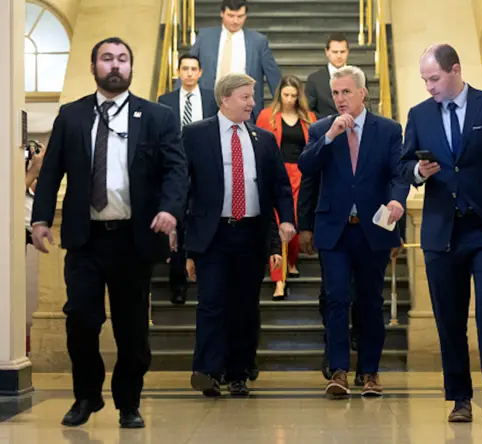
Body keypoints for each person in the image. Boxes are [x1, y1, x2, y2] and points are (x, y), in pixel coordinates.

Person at [30, 37, 188, 428]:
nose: (115, 65)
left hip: (133, 240)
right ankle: (86, 396)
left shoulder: (157, 117)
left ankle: (129, 402)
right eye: (107, 59)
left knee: (132, 329)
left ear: (131, 68)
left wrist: (169, 209)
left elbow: (176, 169)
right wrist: (40, 219)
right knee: (80, 319)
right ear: (93, 67)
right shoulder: (72, 115)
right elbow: (51, 173)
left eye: (122, 59)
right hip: (86, 239)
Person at [400, 44, 482, 424]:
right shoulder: (419, 114)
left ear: (455, 70)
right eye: (424, 80)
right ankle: (460, 399)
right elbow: (403, 168)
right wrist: (419, 174)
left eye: (434, 79)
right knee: (448, 318)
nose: (429, 87)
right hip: (441, 233)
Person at [298, 65, 408, 399]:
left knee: (370, 302)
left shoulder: (388, 130)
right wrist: (330, 137)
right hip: (334, 230)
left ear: (362, 93)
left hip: (373, 229)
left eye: (346, 92)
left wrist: (397, 203)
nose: (340, 98)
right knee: (336, 300)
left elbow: (398, 175)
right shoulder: (320, 129)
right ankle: (339, 371)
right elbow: (306, 169)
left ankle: (370, 372)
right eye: (335, 93)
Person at [184, 73, 295, 398]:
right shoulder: (195, 134)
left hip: (251, 233)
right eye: (245, 97)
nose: (252, 103)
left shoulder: (263, 138)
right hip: (212, 234)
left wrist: (286, 221)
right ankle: (207, 371)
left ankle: (239, 372)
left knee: (245, 307)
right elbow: (182, 186)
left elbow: (279, 186)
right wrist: (180, 236)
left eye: (252, 96)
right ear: (225, 99)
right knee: (212, 304)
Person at [158, 53, 217, 304]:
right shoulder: (165, 101)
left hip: (205, 167)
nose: (190, 73)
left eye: (194, 69)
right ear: (178, 72)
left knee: (204, 222)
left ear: (201, 72)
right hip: (175, 168)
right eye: (185, 68)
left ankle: (206, 279)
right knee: (176, 226)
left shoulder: (211, 99)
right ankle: (177, 284)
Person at [256, 75, 317, 299]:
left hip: (301, 175)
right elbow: (260, 147)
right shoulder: (266, 116)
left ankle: (292, 261)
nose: (289, 100)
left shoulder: (309, 118)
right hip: (276, 175)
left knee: (295, 221)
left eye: (293, 95)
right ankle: (278, 279)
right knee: (279, 223)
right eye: (286, 95)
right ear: (279, 94)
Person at [188, 0, 281, 121]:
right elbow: (188, 65)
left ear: (245, 16)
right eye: (231, 16)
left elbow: (273, 75)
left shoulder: (258, 41)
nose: (235, 21)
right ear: (222, 13)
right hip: (209, 104)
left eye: (240, 16)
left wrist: (282, 104)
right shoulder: (205, 37)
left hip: (245, 107)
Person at [306, 33, 351, 119]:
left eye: (342, 52)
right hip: (325, 130)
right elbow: (308, 111)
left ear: (348, 52)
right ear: (327, 52)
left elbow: (365, 108)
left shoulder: (358, 77)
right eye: (335, 52)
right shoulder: (314, 80)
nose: (339, 56)